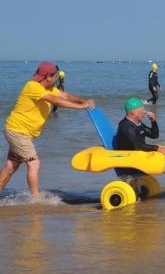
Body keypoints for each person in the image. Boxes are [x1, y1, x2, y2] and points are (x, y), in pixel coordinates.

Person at [0, 62, 95, 197]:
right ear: (48, 77)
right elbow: (56, 101)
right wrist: (82, 107)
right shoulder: (32, 86)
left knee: (11, 167)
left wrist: (84, 101)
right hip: (18, 132)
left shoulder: (49, 88)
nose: (57, 78)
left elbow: (65, 96)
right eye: (56, 75)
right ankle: (35, 199)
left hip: (19, 133)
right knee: (34, 163)